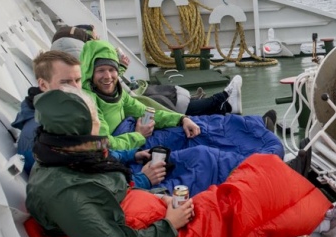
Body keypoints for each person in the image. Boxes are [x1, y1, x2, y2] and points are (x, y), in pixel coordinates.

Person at [24, 87, 336, 237]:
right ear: (78, 129)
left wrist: (159, 202)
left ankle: (317, 214)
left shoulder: (62, 158)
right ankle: (323, 223)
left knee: (252, 180)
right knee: (241, 210)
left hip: (151, 227)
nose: (101, 122)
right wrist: (170, 223)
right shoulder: (66, 191)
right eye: (95, 119)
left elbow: (107, 209)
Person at [80, 39, 283, 195]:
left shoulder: (117, 92)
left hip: (137, 137)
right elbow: (106, 145)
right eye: (101, 71)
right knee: (201, 153)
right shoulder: (89, 102)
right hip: (134, 147)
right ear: (90, 72)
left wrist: (181, 119)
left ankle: (256, 128)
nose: (107, 76)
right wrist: (139, 136)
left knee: (200, 126)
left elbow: (143, 110)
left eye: (111, 70)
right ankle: (264, 163)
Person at [11, 50, 164, 188]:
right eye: (65, 82)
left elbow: (92, 148)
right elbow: (79, 184)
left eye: (77, 80)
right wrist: (143, 179)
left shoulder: (67, 114)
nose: (75, 89)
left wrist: (131, 154)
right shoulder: (41, 133)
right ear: (43, 85)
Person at [50, 24, 242, 115]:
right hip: (132, 112)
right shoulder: (80, 69)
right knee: (164, 101)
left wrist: (120, 68)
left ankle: (222, 103)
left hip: (129, 102)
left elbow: (102, 84)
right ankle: (222, 101)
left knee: (164, 94)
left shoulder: (76, 66)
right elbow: (103, 92)